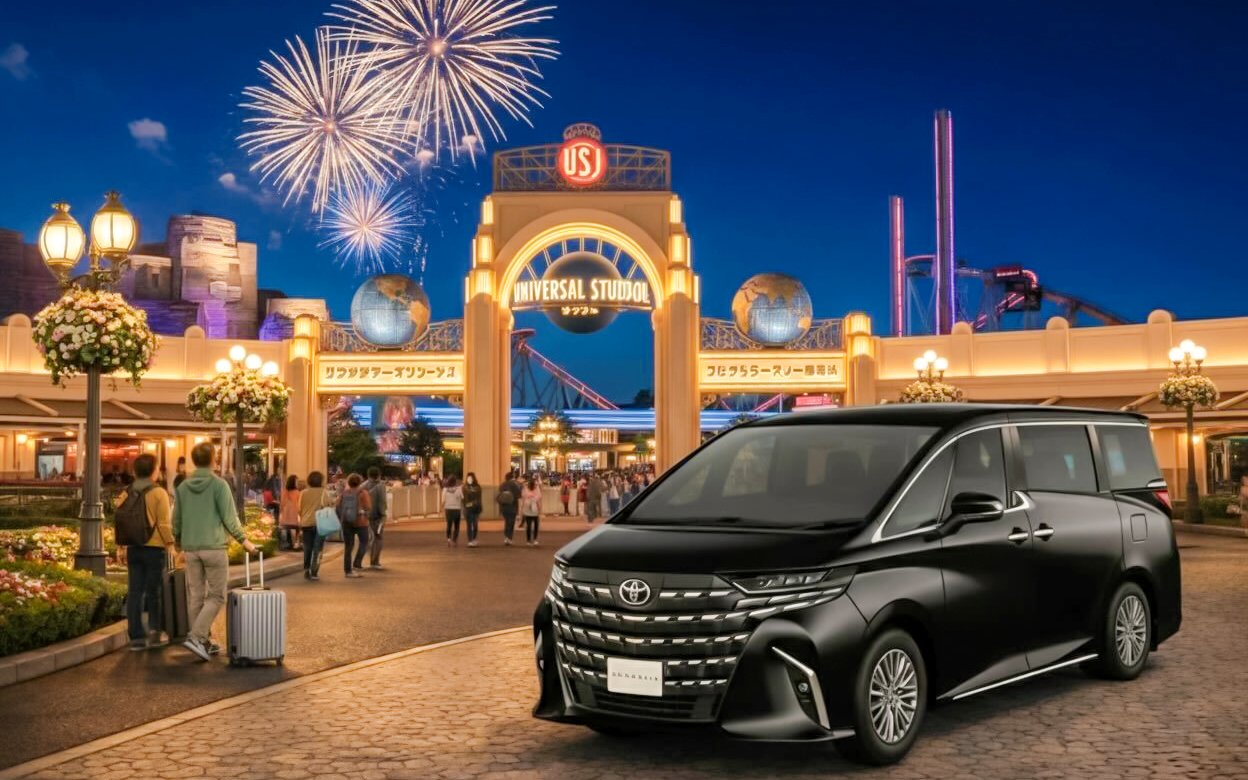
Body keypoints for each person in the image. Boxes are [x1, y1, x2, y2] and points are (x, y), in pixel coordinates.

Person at [173, 442, 256, 662]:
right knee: (217, 596)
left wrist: (178, 543)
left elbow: (176, 520)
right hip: (214, 548)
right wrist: (244, 541)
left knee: (196, 596)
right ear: (213, 460)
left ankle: (203, 641)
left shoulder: (182, 488)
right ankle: (197, 637)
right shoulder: (219, 485)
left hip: (191, 548)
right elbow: (230, 518)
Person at [120, 454, 175, 651]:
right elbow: (163, 523)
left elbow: (120, 520)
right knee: (154, 592)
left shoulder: (126, 491)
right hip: (154, 548)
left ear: (135, 471)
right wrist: (171, 544)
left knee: (135, 592)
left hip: (133, 547)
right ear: (154, 470)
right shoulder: (159, 493)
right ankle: (154, 631)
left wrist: (120, 545)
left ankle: (135, 636)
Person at [336, 473, 372, 578]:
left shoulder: (344, 493)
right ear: (360, 482)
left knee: (348, 547)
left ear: (349, 482)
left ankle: (348, 571)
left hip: (346, 522)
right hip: (361, 522)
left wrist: (341, 518)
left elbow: (338, 506)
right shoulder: (363, 493)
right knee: (364, 542)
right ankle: (357, 562)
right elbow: (368, 507)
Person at [298, 471, 331, 580]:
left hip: (306, 523)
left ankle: (306, 570)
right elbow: (328, 505)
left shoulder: (303, 492)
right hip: (320, 523)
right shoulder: (324, 492)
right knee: (318, 548)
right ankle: (314, 571)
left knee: (307, 548)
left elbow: (299, 509)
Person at [363, 467, 387, 569]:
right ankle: (375, 561)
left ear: (368, 475)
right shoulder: (381, 486)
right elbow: (382, 501)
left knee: (369, 538)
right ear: (378, 475)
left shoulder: (363, 486)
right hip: (378, 516)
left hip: (366, 515)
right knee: (378, 537)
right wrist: (383, 514)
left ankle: (370, 559)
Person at [497, 470, 522, 546]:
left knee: (507, 521)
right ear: (512, 477)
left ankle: (506, 537)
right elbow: (519, 494)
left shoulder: (502, 485)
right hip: (512, 506)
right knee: (511, 522)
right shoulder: (514, 484)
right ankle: (509, 537)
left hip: (504, 506)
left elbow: (500, 495)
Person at [279, 474, 301, 551]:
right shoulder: (297, 492)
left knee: (287, 528)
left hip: (285, 516)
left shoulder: (284, 492)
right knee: (297, 528)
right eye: (297, 481)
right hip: (294, 515)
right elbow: (299, 505)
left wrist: (281, 513)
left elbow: (281, 504)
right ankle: (296, 544)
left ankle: (288, 544)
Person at [462, 472, 483, 547]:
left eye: (471, 478)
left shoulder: (478, 487)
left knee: (475, 524)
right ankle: (470, 540)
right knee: (469, 525)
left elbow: (479, 498)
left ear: (473, 479)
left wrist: (479, 506)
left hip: (475, 508)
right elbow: (463, 499)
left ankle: (474, 538)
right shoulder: (464, 487)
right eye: (468, 478)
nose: (469, 479)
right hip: (467, 509)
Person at [521, 477, 542, 546]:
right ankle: (534, 540)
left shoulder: (525, 490)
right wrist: (539, 510)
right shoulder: (537, 491)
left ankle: (529, 540)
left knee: (529, 526)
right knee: (535, 525)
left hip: (527, 509)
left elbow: (523, 499)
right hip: (534, 509)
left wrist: (522, 509)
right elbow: (538, 501)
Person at [442, 475, 463, 546]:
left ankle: (448, 539)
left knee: (449, 525)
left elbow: (443, 500)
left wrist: (442, 507)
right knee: (456, 525)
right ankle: (454, 539)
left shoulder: (445, 489)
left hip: (448, 509)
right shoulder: (458, 489)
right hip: (457, 509)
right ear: (455, 481)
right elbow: (462, 497)